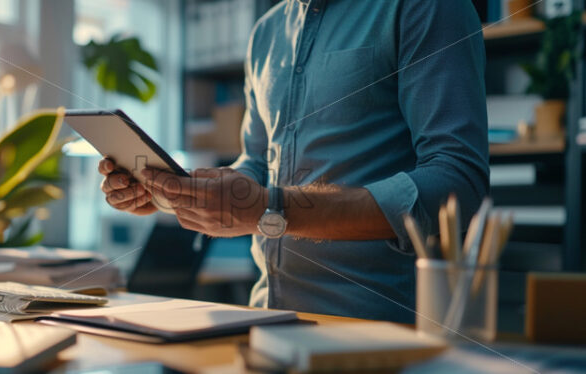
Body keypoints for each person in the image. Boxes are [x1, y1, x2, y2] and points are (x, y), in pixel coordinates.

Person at [98, 0, 489, 323]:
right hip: (263, 320)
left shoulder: (427, 8)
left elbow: (457, 182)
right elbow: (255, 165)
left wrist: (274, 209)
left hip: (380, 330)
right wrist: (180, 191)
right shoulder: (266, 32)